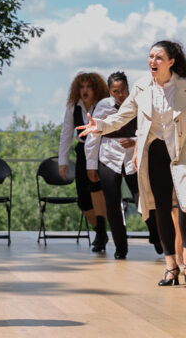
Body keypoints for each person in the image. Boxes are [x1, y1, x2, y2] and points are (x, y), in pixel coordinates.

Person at [78, 40, 186, 287]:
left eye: (158, 57)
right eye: (150, 56)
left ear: (171, 62)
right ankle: (170, 266)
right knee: (161, 208)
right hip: (154, 151)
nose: (152, 61)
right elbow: (123, 116)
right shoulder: (142, 86)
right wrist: (99, 127)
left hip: (184, 151)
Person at [83, 72, 161, 259]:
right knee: (112, 204)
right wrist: (91, 165)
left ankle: (157, 235)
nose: (120, 94)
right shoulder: (103, 106)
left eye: (123, 90)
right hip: (109, 155)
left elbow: (150, 128)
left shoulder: (138, 102)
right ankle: (120, 247)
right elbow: (94, 134)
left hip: (133, 156)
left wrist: (134, 141)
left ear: (128, 88)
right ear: (110, 91)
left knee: (142, 198)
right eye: (115, 91)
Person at [59, 72, 110, 252]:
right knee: (83, 200)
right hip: (82, 151)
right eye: (82, 87)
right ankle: (100, 232)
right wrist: (62, 161)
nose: (85, 90)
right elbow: (66, 133)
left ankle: (101, 233)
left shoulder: (105, 104)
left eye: (89, 86)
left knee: (97, 191)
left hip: (102, 150)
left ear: (96, 88)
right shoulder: (74, 106)